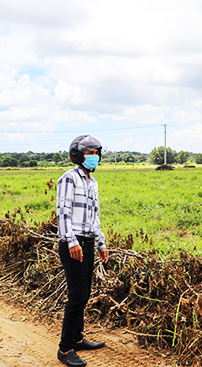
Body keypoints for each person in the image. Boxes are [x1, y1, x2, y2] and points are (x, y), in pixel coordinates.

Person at [56, 135, 110, 367]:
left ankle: (77, 338)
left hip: (87, 243)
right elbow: (63, 212)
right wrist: (71, 241)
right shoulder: (69, 178)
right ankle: (65, 348)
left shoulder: (92, 183)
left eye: (97, 153)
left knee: (85, 293)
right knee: (77, 296)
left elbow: (94, 217)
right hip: (73, 244)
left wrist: (101, 243)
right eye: (90, 153)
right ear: (77, 155)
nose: (94, 157)